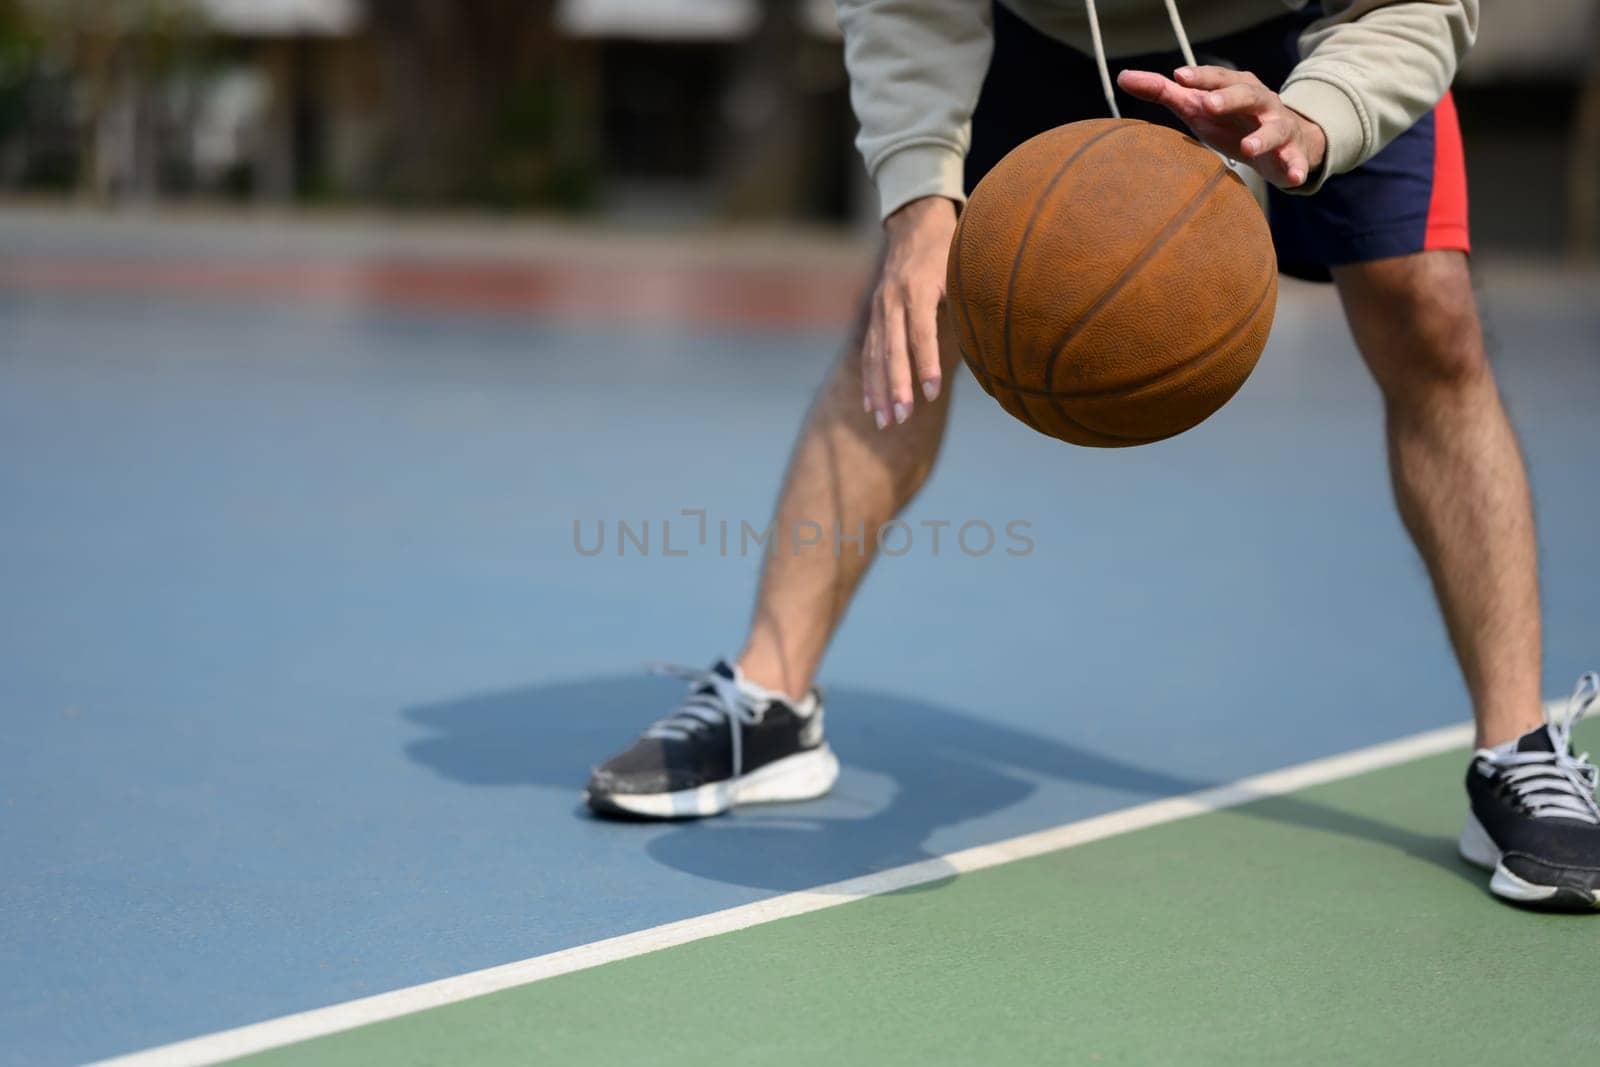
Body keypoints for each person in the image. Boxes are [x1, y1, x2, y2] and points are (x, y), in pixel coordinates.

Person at [585, 0, 1600, 910]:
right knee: (907, 312)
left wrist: (1318, 113)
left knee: (1430, 318)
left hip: (1311, 25)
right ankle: (769, 700)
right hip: (1037, 32)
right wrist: (918, 192)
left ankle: (1515, 746)